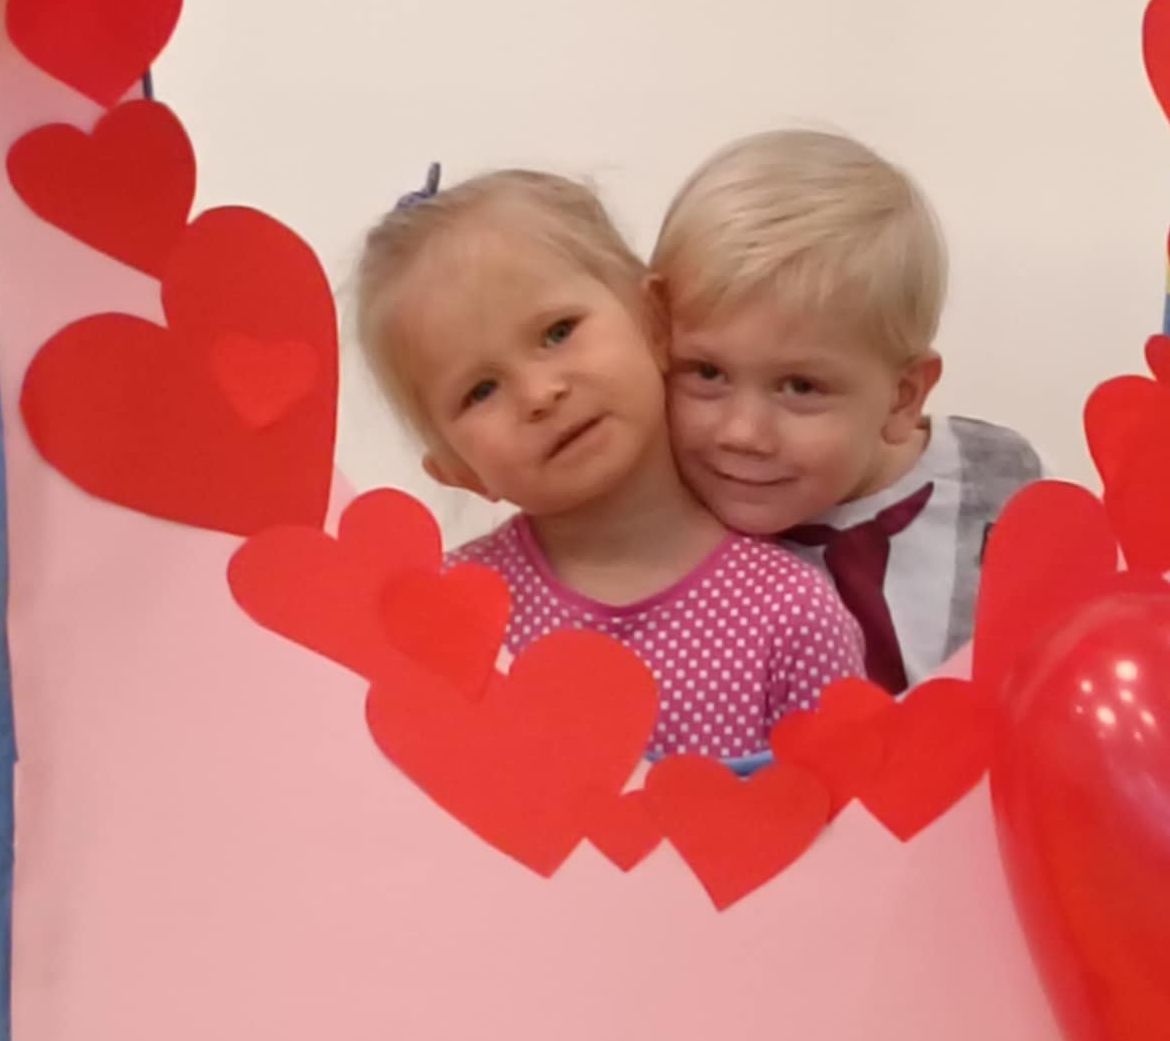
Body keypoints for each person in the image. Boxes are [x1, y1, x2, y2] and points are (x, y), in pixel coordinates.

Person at [354, 165, 864, 758]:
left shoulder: (791, 615)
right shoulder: (451, 615)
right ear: (459, 471)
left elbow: (849, 809)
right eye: (481, 391)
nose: (540, 394)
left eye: (557, 332)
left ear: (653, 322)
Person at [653, 129, 1041, 686]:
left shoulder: (1003, 485)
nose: (742, 433)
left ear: (903, 397)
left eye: (800, 387)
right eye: (706, 373)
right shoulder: (663, 510)